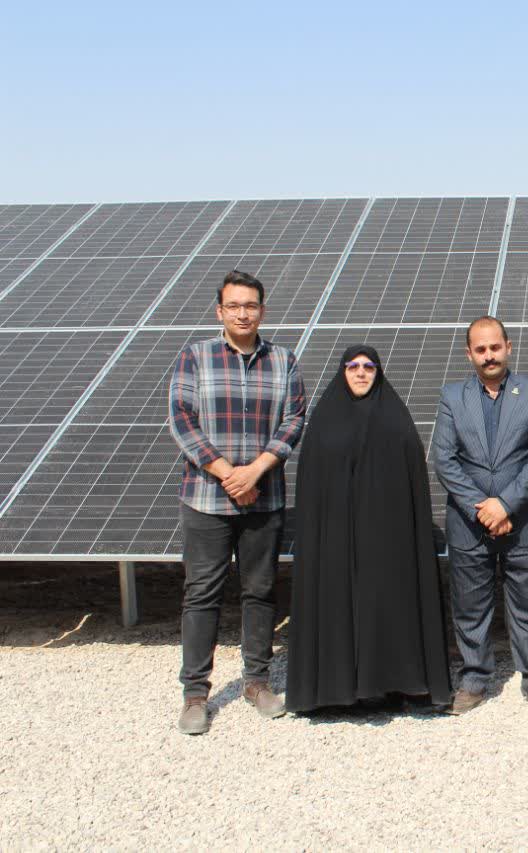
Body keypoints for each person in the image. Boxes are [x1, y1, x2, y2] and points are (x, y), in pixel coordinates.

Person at [168, 269, 306, 735]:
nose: (243, 314)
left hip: (263, 499)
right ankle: (195, 694)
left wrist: (256, 470)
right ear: (220, 311)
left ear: (262, 311)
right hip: (206, 498)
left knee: (260, 591)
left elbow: (294, 420)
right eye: (234, 306)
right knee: (201, 593)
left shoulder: (283, 360)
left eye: (250, 306)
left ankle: (256, 682)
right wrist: (229, 473)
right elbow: (182, 420)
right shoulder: (195, 357)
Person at [286, 345, 452, 714]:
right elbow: (312, 484)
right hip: (335, 537)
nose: (361, 373)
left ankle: (393, 685)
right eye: (353, 366)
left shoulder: (396, 419)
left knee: (386, 604)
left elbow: (412, 483)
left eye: (369, 367)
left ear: (378, 372)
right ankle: (336, 691)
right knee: (338, 604)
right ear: (342, 372)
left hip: (387, 537)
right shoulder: (324, 421)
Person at [430, 316, 528, 718]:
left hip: (524, 520)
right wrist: (483, 508)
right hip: (469, 523)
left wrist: (504, 504)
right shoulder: (453, 396)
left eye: (495, 347)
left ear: (508, 347)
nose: (489, 356)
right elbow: (444, 460)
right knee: (470, 605)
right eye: (481, 349)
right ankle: (473, 680)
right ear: (469, 354)